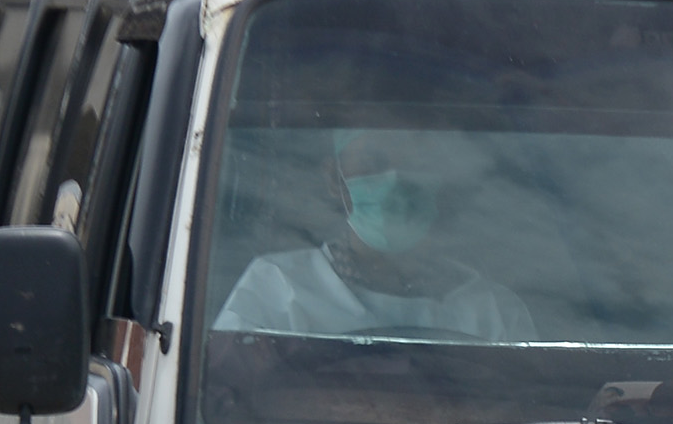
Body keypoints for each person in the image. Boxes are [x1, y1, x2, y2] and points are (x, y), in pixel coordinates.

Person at [213, 134, 538, 341]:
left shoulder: (496, 313)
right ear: (333, 179)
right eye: (373, 163)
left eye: (416, 161)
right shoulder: (275, 290)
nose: (396, 180)